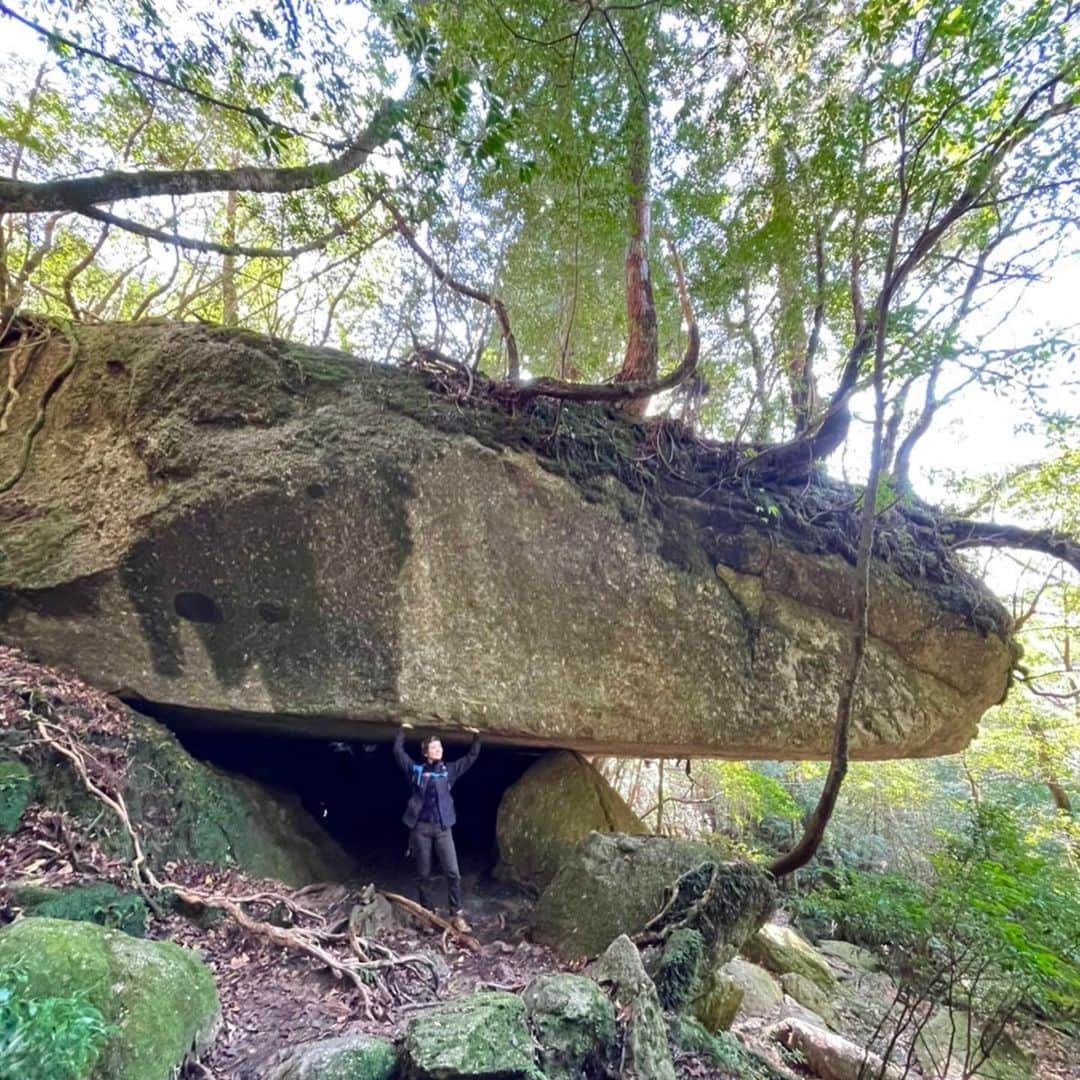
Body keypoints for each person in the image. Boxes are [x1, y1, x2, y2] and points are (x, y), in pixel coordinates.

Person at [393, 722, 480, 933]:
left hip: (443, 829)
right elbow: (398, 753)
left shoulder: (448, 771)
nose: (438, 750)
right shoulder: (417, 771)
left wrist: (476, 737)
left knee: (453, 872)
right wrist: (402, 731)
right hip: (421, 829)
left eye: (440, 747)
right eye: (434, 748)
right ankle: (426, 915)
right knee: (423, 874)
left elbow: (470, 758)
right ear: (426, 753)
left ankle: (456, 915)